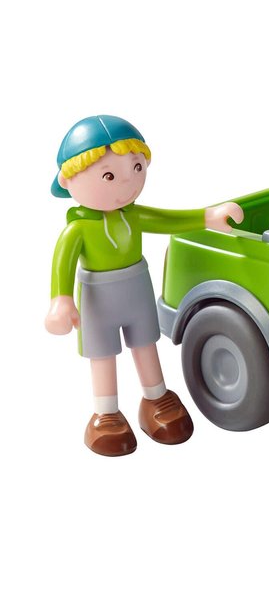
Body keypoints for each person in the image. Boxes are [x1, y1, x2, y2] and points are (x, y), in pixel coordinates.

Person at [45, 115, 244, 456]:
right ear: (68, 180)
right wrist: (61, 300)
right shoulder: (77, 230)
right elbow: (62, 263)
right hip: (97, 298)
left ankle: (156, 398)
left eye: (137, 168)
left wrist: (207, 217)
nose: (128, 184)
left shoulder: (133, 215)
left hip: (136, 287)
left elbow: (167, 219)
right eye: (109, 175)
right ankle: (106, 413)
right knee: (102, 355)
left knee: (145, 344)